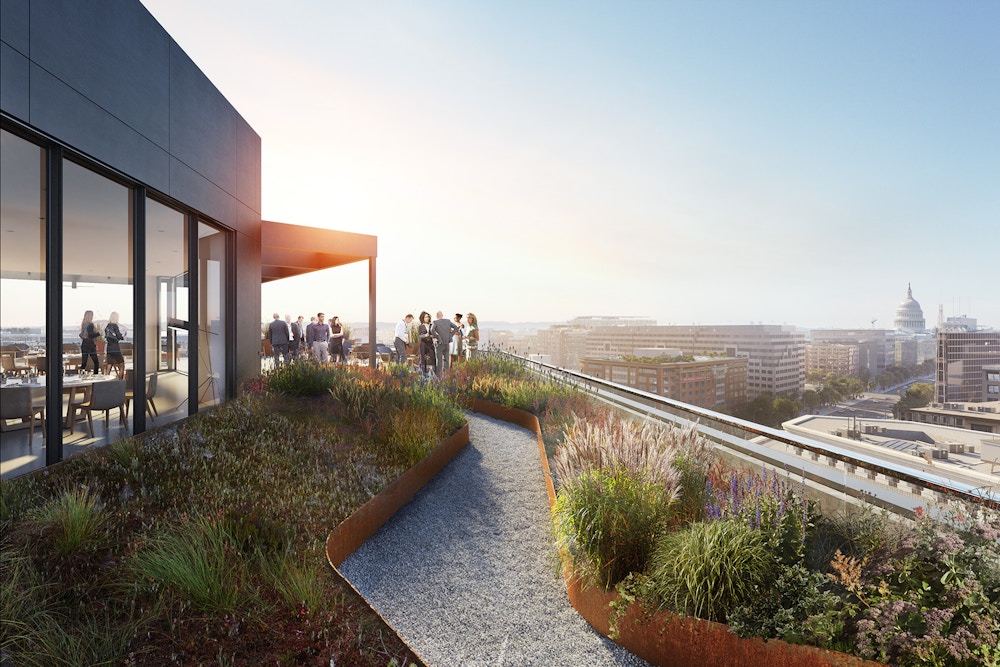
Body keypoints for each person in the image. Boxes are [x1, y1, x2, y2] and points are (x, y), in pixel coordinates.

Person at [430, 310, 461, 375]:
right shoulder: (448, 321)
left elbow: (432, 330)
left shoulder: (435, 322)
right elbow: (456, 328)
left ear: (436, 316)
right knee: (446, 360)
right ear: (442, 315)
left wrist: (437, 337)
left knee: (439, 360)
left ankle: (439, 376)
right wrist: (451, 335)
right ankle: (447, 375)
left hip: (439, 343)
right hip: (447, 343)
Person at [103, 311, 127, 378]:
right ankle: (120, 382)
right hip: (115, 348)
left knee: (109, 365)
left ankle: (106, 382)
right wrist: (123, 337)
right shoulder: (115, 326)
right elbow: (119, 336)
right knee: (122, 364)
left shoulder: (107, 326)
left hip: (109, 348)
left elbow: (107, 336)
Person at [417, 311, 436, 377]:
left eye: (428, 317)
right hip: (423, 344)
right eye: (425, 317)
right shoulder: (421, 326)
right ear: (423, 318)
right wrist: (425, 335)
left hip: (430, 343)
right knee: (423, 358)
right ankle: (423, 373)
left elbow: (435, 334)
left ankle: (435, 372)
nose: (427, 318)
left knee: (433, 357)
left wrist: (432, 336)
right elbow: (419, 336)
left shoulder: (432, 325)